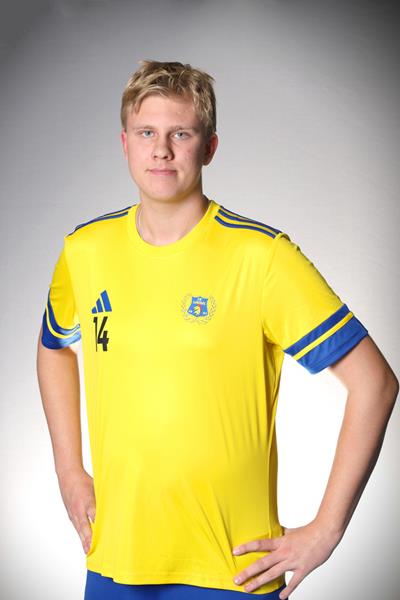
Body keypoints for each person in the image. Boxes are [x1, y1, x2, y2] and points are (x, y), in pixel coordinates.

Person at [36, 60, 398, 600]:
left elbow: (376, 383)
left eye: (180, 134)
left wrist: (326, 530)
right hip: (114, 563)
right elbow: (54, 349)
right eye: (146, 133)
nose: (161, 150)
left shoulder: (262, 257)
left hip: (230, 573)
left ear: (209, 147)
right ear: (125, 143)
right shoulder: (84, 250)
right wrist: (70, 470)